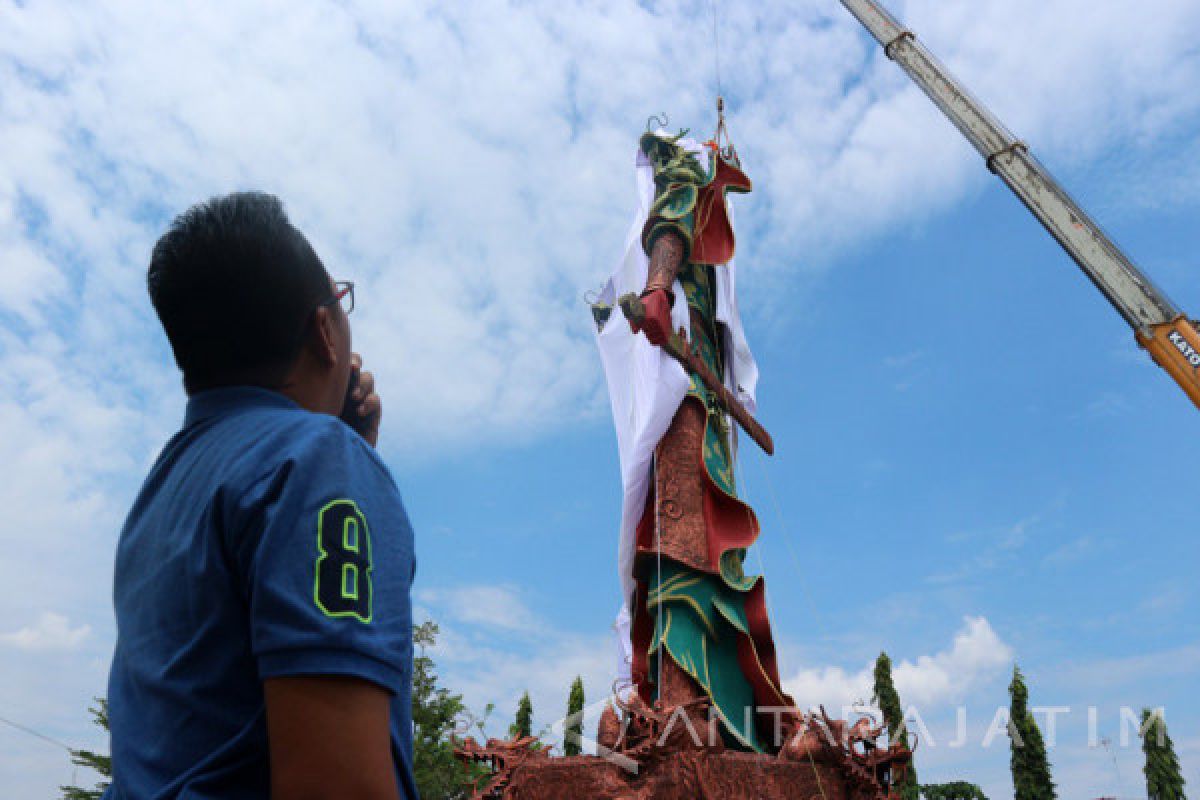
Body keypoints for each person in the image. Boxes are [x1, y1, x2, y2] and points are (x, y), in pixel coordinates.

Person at [103, 192, 417, 799]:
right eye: (339, 299)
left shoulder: (164, 488)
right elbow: (338, 787)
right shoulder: (315, 462)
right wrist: (339, 456)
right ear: (325, 331)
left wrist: (344, 451)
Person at [593, 129, 797, 753]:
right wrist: (658, 287)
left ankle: (726, 709)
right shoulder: (686, 183)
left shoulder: (713, 266)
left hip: (708, 401)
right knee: (680, 536)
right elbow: (672, 215)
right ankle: (679, 700)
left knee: (715, 544)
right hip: (681, 391)